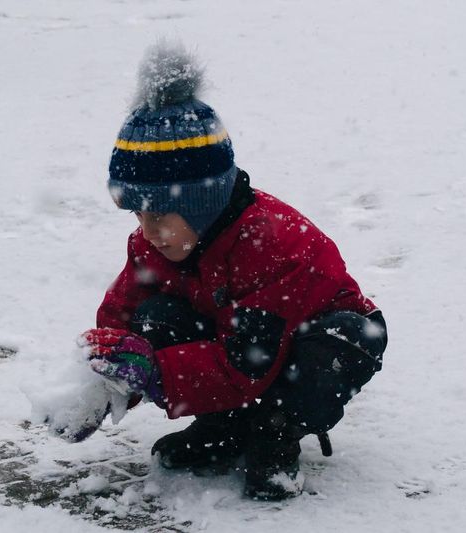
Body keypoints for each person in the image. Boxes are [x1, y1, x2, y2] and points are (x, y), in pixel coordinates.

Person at [80, 41, 387, 501]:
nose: (148, 231)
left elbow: (248, 363)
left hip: (316, 337)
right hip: (237, 341)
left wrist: (154, 372)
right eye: (137, 215)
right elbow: (123, 317)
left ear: (201, 204)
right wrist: (105, 380)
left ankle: (276, 432)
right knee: (153, 320)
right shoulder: (160, 241)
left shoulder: (270, 244)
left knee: (331, 354)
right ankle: (222, 426)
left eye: (161, 214)